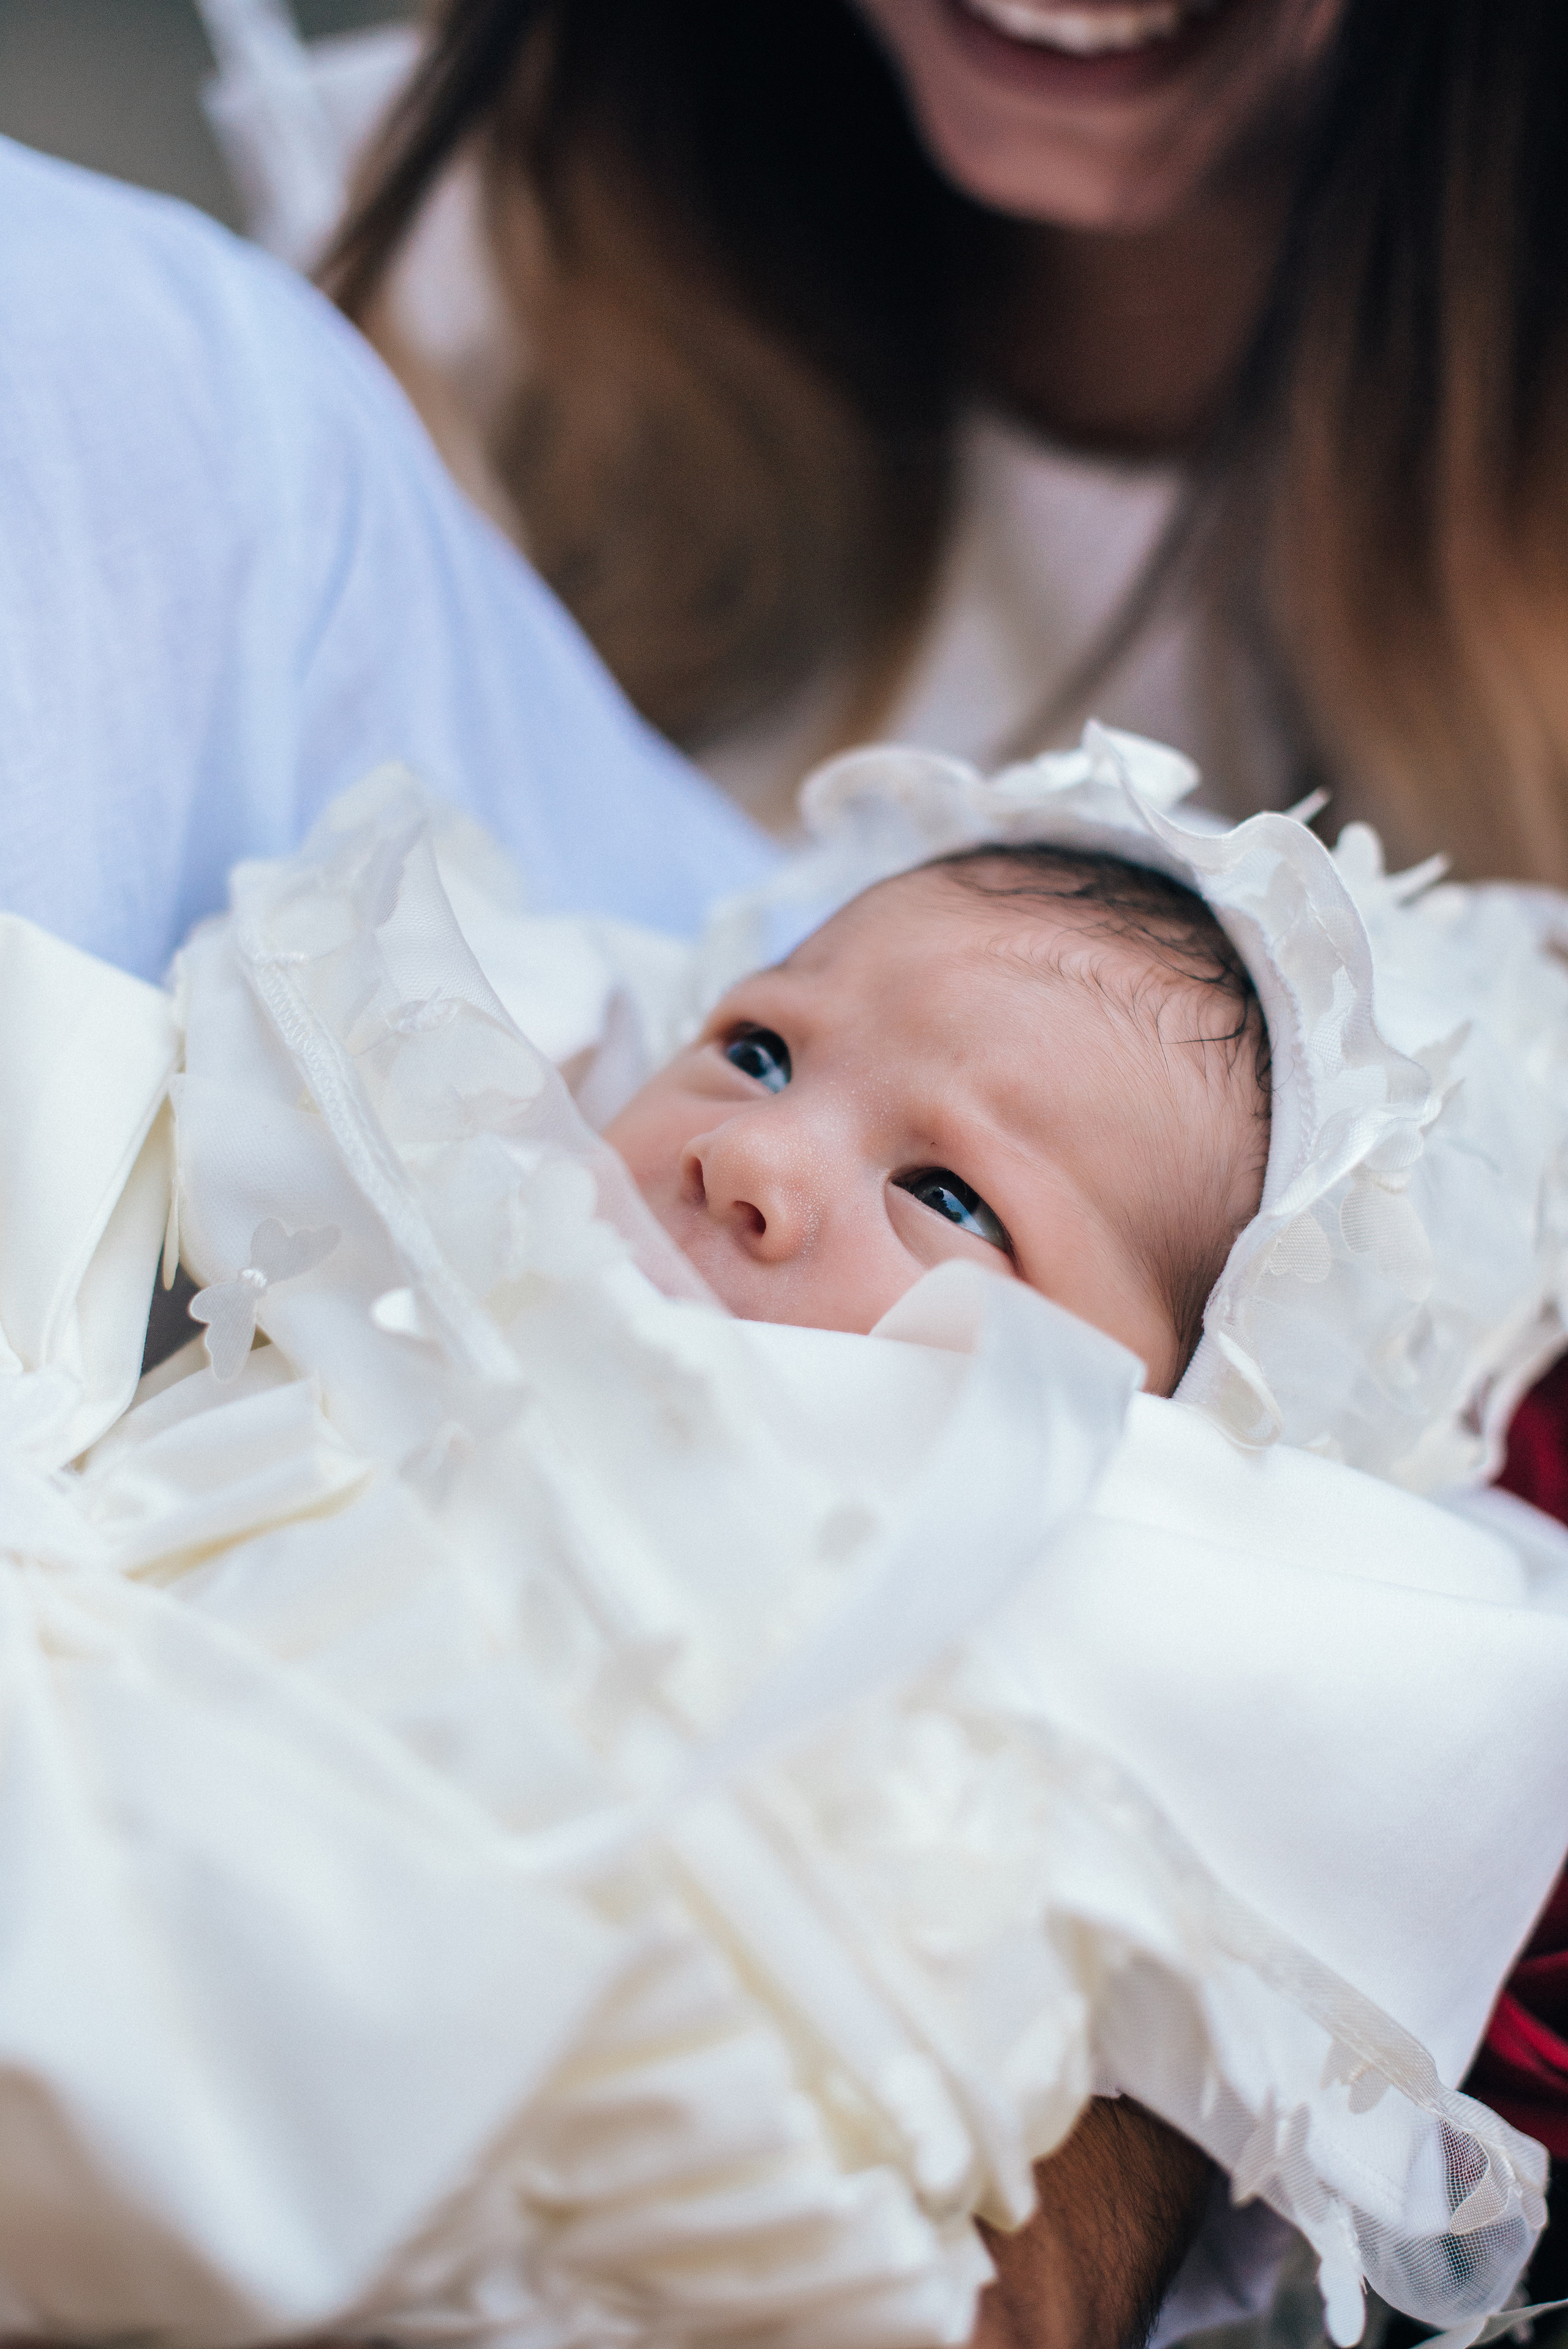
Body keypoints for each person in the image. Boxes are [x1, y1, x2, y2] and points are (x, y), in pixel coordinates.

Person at [1, 728, 1564, 2347]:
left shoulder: (1008, 1650)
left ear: (1151, 1429)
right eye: (759, 1048)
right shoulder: (412, 1247)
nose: (751, 1155)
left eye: (949, 1198)